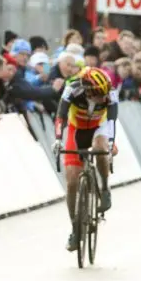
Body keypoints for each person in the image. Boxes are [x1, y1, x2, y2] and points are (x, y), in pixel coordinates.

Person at [54, 67, 118, 252]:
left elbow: (112, 120)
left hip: (100, 126)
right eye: (99, 95)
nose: (103, 99)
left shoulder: (110, 93)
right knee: (72, 181)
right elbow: (60, 116)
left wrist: (111, 144)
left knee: (99, 149)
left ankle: (105, 188)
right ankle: (75, 229)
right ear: (88, 90)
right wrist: (58, 140)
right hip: (77, 128)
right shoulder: (72, 89)